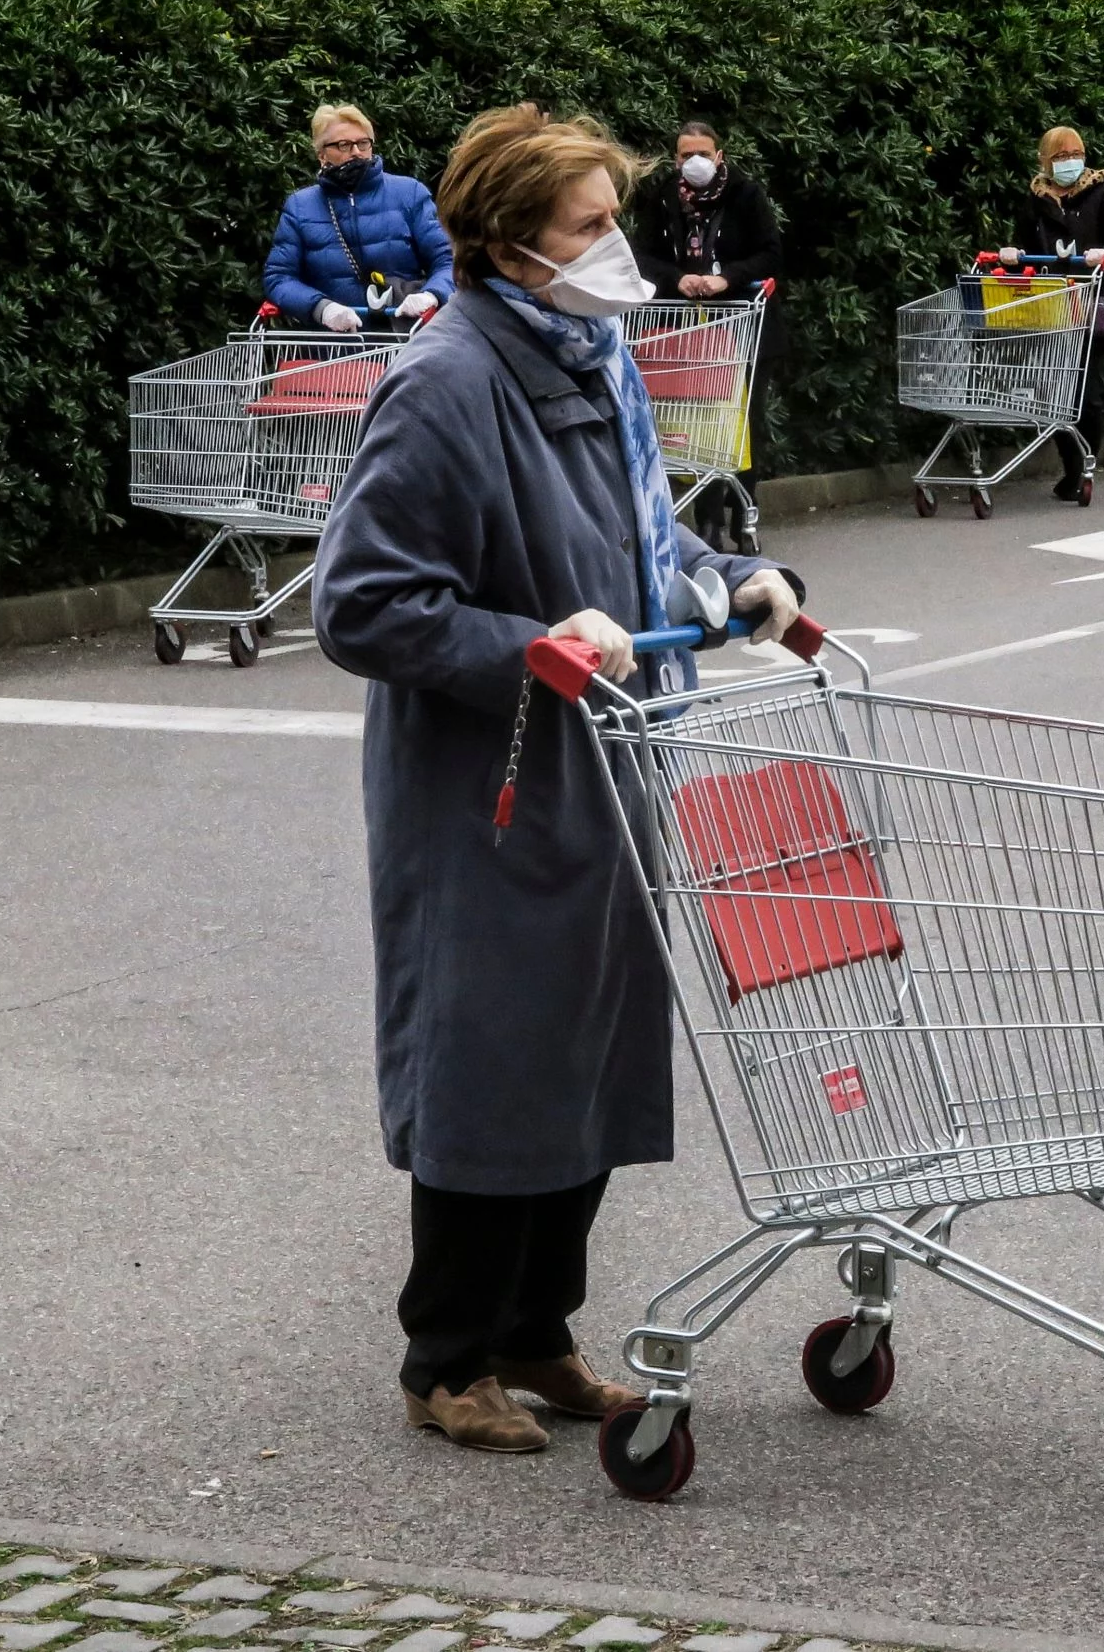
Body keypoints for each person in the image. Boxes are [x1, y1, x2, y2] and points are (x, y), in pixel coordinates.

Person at [311, 104, 805, 1456]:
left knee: (578, 1055)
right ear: (508, 238)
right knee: (488, 1063)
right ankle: (445, 1356)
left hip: (609, 751)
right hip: (496, 775)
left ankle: (538, 1333)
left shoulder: (585, 350)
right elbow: (360, 605)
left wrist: (722, 582)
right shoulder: (451, 378)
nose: (616, 246)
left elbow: (638, 548)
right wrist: (521, 648)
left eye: (614, 218)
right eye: (591, 225)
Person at [628, 120, 783, 551]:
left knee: (744, 422)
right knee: (700, 424)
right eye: (685, 155)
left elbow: (770, 254)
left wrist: (727, 279)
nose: (694, 162)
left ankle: (744, 516)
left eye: (702, 153)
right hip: (689, 329)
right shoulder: (662, 198)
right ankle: (707, 519)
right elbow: (642, 255)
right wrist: (678, 280)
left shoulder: (746, 195)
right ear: (675, 159)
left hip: (744, 325)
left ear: (719, 156)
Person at [999, 126, 1104, 502]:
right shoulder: (1035, 199)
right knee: (1055, 391)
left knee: (1086, 394)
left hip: (1091, 307)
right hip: (1050, 308)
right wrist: (1011, 258)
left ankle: (1085, 464)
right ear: (1045, 161)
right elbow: (1024, 248)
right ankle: (1071, 463)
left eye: (1075, 153)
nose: (1070, 161)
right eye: (1060, 156)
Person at [264, 105, 456, 333]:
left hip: (404, 342)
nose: (356, 151)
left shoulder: (409, 193)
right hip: (333, 350)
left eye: (363, 143)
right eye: (343, 145)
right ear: (321, 154)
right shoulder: (301, 206)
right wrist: (321, 307)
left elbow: (448, 261)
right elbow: (279, 277)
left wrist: (431, 295)